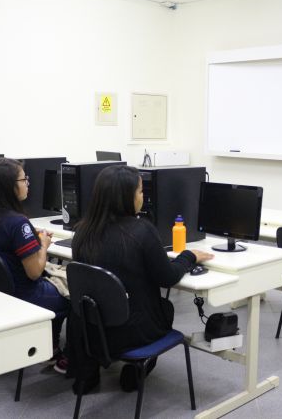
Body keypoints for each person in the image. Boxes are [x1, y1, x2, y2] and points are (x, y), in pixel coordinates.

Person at [69, 164, 213, 394]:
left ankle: (88, 376)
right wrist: (189, 256)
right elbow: (167, 277)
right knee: (165, 307)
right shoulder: (141, 231)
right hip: (132, 332)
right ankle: (136, 371)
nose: (142, 197)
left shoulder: (82, 231)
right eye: (140, 191)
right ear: (126, 197)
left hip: (93, 330)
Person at [0, 157, 69, 372]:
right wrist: (43, 244)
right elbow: (35, 272)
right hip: (25, 294)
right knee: (75, 296)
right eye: (24, 179)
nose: (27, 183)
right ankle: (66, 355)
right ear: (10, 186)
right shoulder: (18, 223)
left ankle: (49, 346)